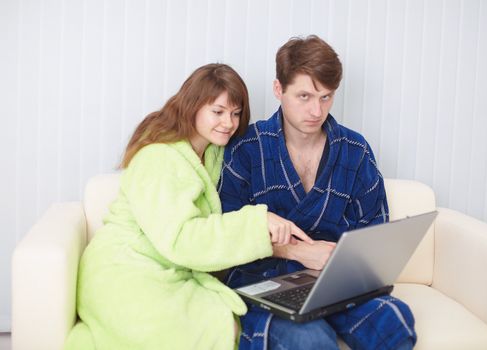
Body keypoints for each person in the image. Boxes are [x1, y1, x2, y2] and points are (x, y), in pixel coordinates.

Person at [64, 63, 313, 350]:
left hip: (173, 271)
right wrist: (258, 223)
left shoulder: (215, 152)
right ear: (193, 107)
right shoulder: (158, 157)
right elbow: (180, 237)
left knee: (225, 323)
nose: (229, 123)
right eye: (217, 112)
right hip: (125, 270)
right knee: (209, 328)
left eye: (235, 113)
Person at [219, 36, 416, 350]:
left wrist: (341, 263)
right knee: (310, 338)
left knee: (394, 320)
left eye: (326, 97)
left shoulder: (355, 150)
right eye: (304, 96)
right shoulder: (247, 148)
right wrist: (292, 251)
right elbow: (225, 230)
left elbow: (374, 228)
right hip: (266, 279)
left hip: (336, 281)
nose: (316, 110)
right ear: (278, 90)